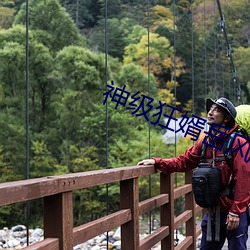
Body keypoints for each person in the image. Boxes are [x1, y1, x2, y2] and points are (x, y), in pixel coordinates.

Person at [137, 97, 250, 250]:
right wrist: (158, 162)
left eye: (216, 110)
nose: (210, 112)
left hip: (233, 211)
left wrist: (236, 212)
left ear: (227, 118)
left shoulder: (239, 143)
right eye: (210, 109)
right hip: (213, 211)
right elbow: (184, 161)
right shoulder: (205, 142)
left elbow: (244, 179)